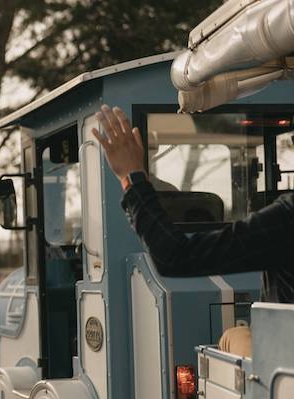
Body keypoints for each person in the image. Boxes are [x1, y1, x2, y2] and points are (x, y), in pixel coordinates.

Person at [92, 105, 294, 357]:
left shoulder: (287, 219)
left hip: (283, 373)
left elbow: (175, 255)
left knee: (233, 337)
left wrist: (132, 178)